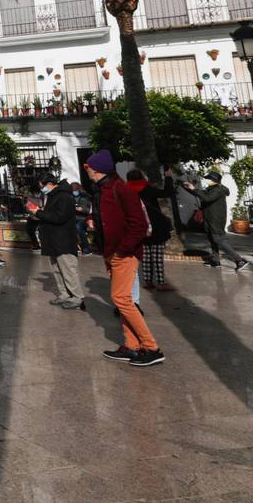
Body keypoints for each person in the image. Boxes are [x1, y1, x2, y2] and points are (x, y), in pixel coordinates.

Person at [84, 150, 164, 366]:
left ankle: (151, 347)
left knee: (122, 300)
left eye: (88, 167)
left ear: (98, 169)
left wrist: (123, 250)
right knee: (123, 300)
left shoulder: (122, 190)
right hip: (111, 252)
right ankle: (131, 345)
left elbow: (138, 225)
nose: (87, 170)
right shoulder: (102, 191)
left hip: (123, 253)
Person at [34, 174, 83, 310]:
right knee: (57, 269)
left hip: (63, 240)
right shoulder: (53, 195)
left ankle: (77, 297)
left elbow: (59, 217)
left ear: (50, 183)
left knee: (68, 269)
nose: (42, 189)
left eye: (42, 186)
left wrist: (39, 213)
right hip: (54, 240)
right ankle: (64, 294)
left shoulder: (64, 196)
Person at [182, 170, 248, 271]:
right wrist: (189, 188)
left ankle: (239, 260)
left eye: (208, 179)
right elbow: (200, 194)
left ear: (214, 180)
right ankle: (216, 260)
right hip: (209, 217)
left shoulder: (219, 190)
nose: (206, 180)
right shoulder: (211, 189)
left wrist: (194, 189)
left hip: (216, 219)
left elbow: (207, 198)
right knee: (212, 239)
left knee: (218, 240)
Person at [127, 169, 174, 292]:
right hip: (156, 227)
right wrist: (168, 177)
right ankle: (161, 282)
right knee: (157, 256)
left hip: (140, 227)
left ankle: (148, 280)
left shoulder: (127, 191)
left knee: (146, 255)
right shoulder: (148, 189)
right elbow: (167, 192)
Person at [71, 183, 93, 255]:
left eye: (75, 189)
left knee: (78, 227)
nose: (74, 191)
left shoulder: (85, 197)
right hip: (73, 217)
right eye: (73, 190)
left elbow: (88, 210)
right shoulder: (70, 196)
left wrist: (82, 209)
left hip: (83, 218)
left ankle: (86, 247)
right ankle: (75, 246)